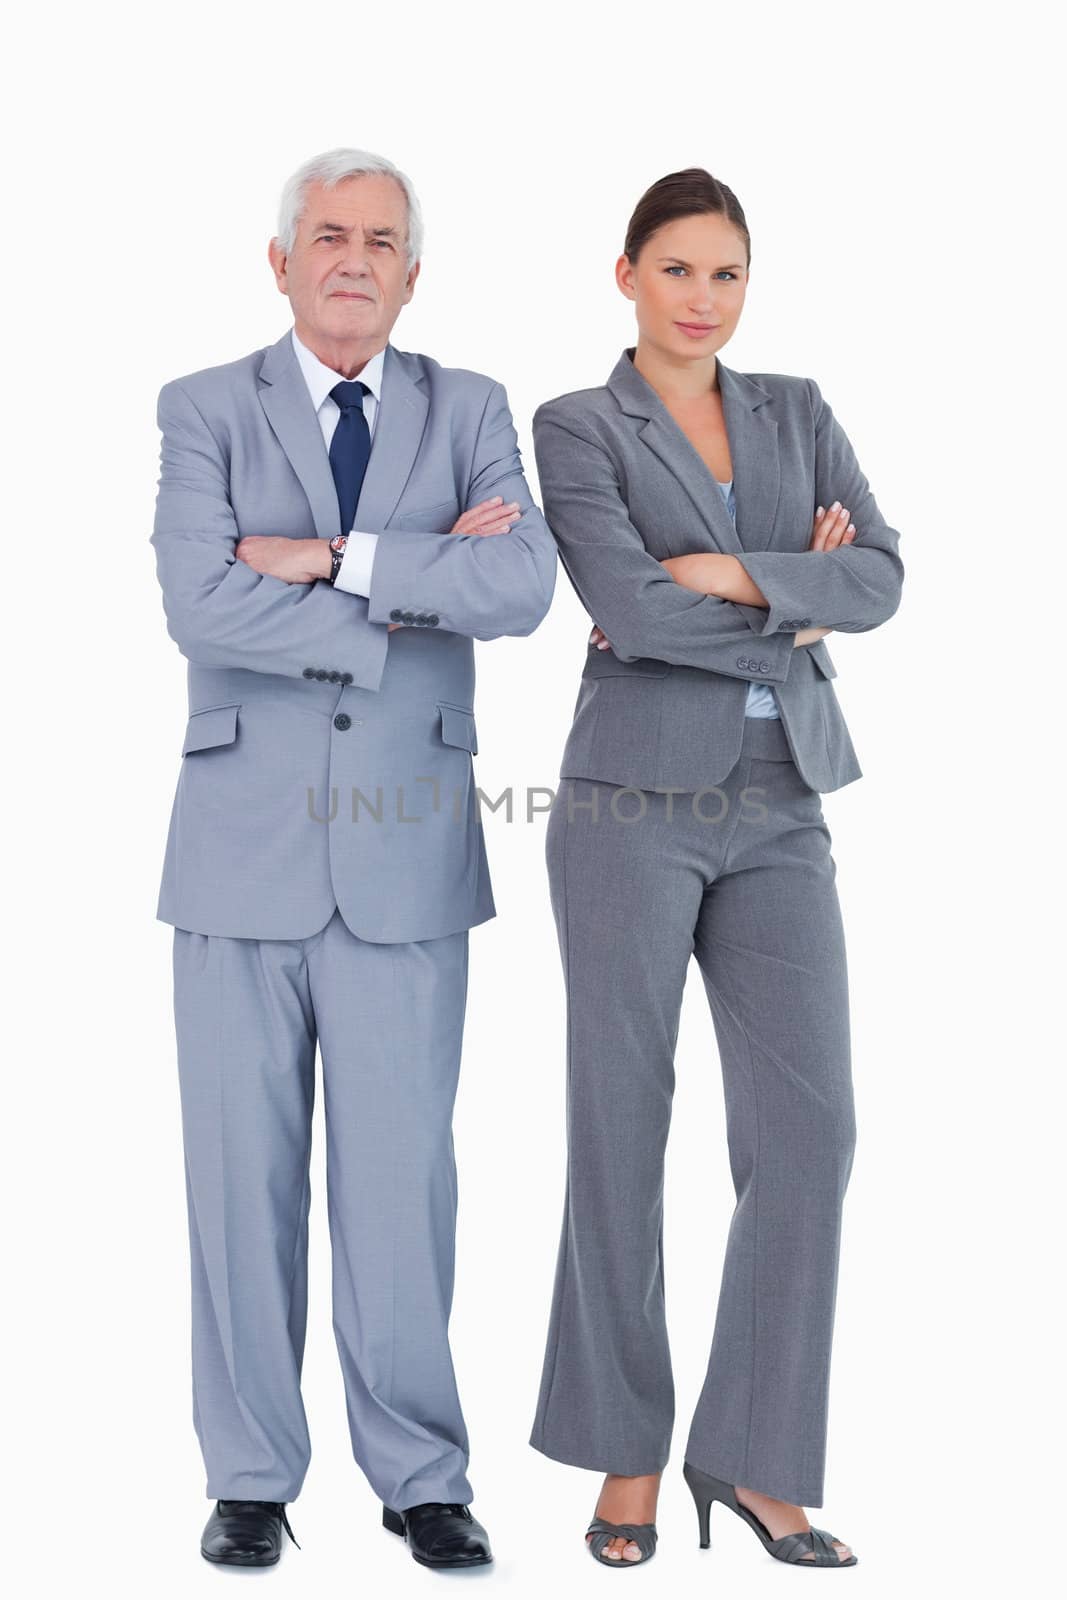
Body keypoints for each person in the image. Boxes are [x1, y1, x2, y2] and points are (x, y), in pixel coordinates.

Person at [150, 145, 556, 1569]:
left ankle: (422, 1475)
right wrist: (412, 577)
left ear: (412, 274)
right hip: (239, 852)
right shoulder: (202, 408)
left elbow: (517, 586)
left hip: (405, 859)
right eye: (329, 235)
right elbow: (199, 604)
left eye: (382, 242)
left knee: (401, 1186)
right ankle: (251, 1476)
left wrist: (329, 560)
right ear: (281, 260)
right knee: (237, 1181)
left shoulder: (475, 407)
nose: (353, 261)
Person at [529, 167, 903, 1570]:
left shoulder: (798, 412)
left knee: (814, 1132)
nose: (704, 298)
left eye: (727, 275)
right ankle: (627, 1455)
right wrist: (793, 590)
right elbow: (624, 602)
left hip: (784, 799)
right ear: (626, 274)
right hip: (632, 799)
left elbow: (883, 578)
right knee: (620, 1130)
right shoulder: (579, 426)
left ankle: (753, 1460)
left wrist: (728, 575)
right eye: (679, 269)